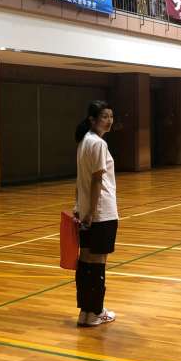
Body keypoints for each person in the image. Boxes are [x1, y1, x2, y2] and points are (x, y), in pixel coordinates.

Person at [74, 100, 118, 327]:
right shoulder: (98, 144)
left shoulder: (84, 141)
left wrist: (79, 207)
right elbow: (96, 179)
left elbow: (79, 180)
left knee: (85, 261)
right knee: (98, 262)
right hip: (102, 212)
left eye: (111, 116)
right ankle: (96, 312)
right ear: (92, 120)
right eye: (104, 117)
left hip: (86, 211)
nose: (109, 120)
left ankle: (85, 312)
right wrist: (91, 212)